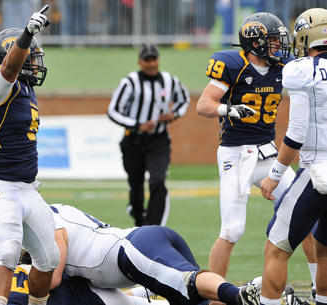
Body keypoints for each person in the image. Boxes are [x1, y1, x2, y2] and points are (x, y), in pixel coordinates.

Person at [195, 12, 308, 280]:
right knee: (232, 230)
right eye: (272, 41)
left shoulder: (284, 67)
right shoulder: (233, 65)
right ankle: (215, 296)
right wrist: (228, 109)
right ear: (255, 42)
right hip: (236, 153)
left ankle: (319, 286)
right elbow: (203, 105)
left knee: (305, 212)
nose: (279, 47)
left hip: (268, 152)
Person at [0, 6, 60, 305]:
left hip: (25, 185)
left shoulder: (27, 90)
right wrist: (27, 34)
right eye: (31, 56)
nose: (35, 63)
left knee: (49, 258)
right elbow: (7, 72)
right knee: (7, 251)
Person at [48, 203, 261, 305]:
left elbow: (54, 275)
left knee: (188, 282)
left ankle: (238, 295)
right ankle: (269, 295)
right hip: (137, 246)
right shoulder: (54, 211)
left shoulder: (47, 219)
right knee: (201, 302)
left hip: (130, 252)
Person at [258, 8, 327, 305]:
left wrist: (274, 175)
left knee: (276, 247)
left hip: (317, 170)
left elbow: (296, 132)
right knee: (324, 248)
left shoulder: (302, 70)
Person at [107, 44, 190, 227]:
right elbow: (113, 111)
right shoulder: (130, 82)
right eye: (147, 60)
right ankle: (137, 217)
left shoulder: (169, 80)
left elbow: (184, 98)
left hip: (158, 140)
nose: (151, 64)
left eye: (154, 59)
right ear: (140, 62)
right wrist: (137, 124)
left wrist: (174, 114)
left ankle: (152, 227)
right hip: (133, 141)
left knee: (157, 181)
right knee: (136, 188)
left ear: (158, 60)